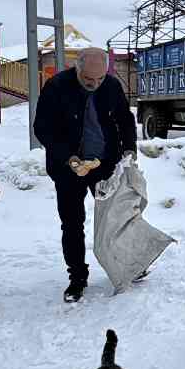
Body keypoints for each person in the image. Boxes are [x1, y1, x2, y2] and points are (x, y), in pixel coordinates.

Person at [33, 48, 138, 302]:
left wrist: (129, 149)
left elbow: (124, 119)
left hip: (104, 164)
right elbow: (42, 128)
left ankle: (126, 264)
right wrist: (68, 156)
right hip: (68, 167)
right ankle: (77, 277)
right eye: (89, 80)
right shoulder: (57, 86)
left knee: (115, 217)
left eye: (100, 79)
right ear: (77, 69)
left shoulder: (111, 86)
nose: (95, 85)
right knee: (72, 223)